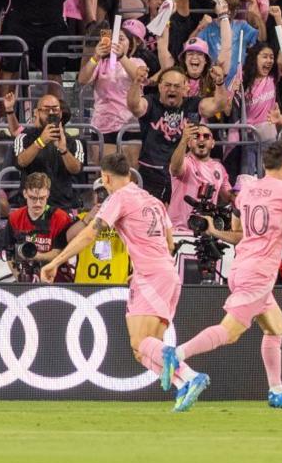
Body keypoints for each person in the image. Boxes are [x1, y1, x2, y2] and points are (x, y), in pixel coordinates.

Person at [37, 148, 207, 408]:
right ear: (129, 173)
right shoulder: (153, 201)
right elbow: (170, 244)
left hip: (150, 276)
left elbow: (88, 235)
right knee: (143, 350)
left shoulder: (118, 198)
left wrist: (56, 261)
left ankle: (190, 375)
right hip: (168, 274)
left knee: (140, 342)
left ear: (105, 178)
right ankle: (182, 385)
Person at [170, 140, 282, 408]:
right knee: (230, 332)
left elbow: (238, 235)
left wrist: (213, 230)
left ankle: (276, 391)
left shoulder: (247, 191)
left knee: (276, 327)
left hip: (241, 268)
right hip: (258, 273)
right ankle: (176, 355)